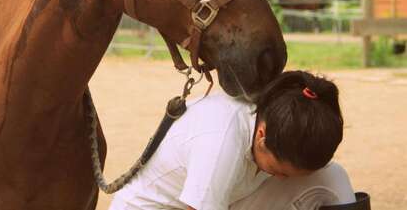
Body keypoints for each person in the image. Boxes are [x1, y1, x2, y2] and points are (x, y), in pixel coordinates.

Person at [108, 71, 357, 210]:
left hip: (226, 199)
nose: (282, 180)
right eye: (278, 171)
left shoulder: (281, 113)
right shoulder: (220, 145)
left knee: (332, 176)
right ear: (262, 135)